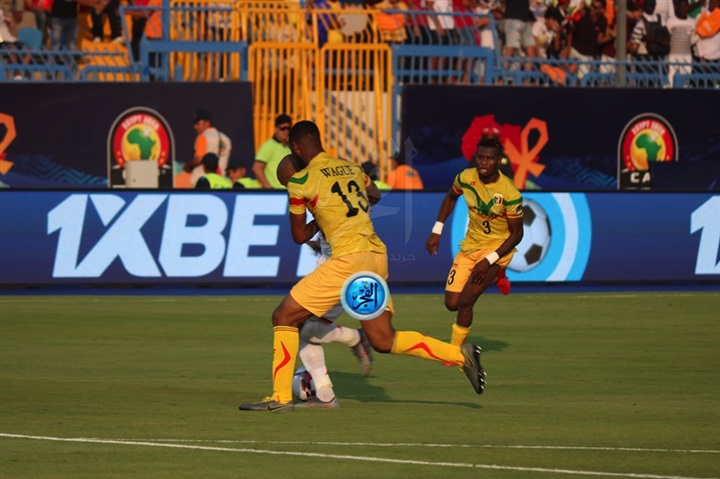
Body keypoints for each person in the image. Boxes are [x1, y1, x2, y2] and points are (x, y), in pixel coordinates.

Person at [239, 121, 485, 412]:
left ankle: (280, 398)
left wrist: (321, 217)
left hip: (347, 260)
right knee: (383, 339)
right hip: (375, 257)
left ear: (294, 147)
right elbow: (375, 195)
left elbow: (299, 236)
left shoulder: (300, 181)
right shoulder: (351, 167)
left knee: (284, 316)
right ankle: (460, 356)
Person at [275, 154, 375, 408]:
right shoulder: (332, 174)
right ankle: (326, 393)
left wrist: (318, 225)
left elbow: (301, 233)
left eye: (288, 183)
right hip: (355, 257)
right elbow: (372, 196)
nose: (290, 188)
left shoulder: (307, 184)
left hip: (339, 264)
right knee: (302, 328)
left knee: (293, 324)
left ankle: (353, 341)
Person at [425, 136, 524, 351]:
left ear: (498, 161)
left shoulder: (509, 192)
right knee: (452, 304)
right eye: (480, 157)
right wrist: (437, 230)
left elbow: (517, 234)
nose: (484, 163)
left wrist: (489, 261)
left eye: (489, 158)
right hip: (470, 246)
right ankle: (499, 276)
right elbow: (451, 197)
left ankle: (454, 353)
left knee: (466, 302)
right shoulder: (465, 178)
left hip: (496, 250)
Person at [184, 109, 232, 187]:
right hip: (221, 182)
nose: (195, 127)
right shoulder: (226, 139)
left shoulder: (203, 137)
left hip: (203, 182)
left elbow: (198, 159)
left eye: (198, 124)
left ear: (207, 123)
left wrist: (187, 167)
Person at [253, 113, 292, 189]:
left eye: (288, 128)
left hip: (289, 191)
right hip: (276, 192)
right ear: (275, 129)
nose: (286, 131)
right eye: (283, 128)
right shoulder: (269, 146)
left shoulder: (290, 147)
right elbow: (257, 168)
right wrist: (268, 188)